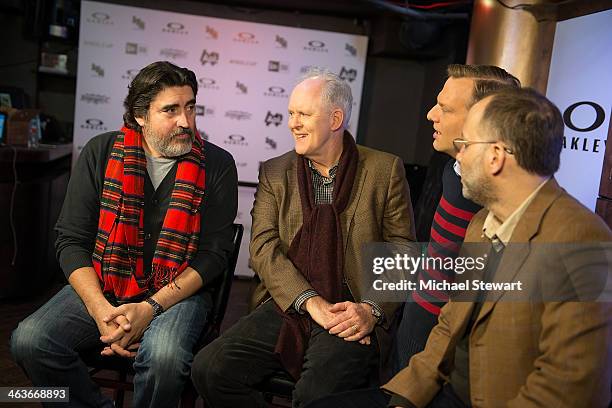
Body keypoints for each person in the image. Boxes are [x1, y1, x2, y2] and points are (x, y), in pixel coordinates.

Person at [10, 61, 238, 408]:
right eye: (170, 110)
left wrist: (150, 307)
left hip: (177, 293)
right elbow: (71, 239)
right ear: (140, 115)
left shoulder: (218, 165)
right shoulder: (101, 152)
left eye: (190, 107)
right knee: (29, 340)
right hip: (105, 283)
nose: (185, 121)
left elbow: (214, 255)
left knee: (164, 358)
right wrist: (101, 310)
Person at [190, 68, 416, 408]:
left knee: (314, 397)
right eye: (291, 113)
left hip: (350, 308)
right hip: (290, 303)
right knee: (208, 369)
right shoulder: (275, 171)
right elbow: (263, 247)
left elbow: (404, 251)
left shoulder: (384, 170)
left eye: (304, 114)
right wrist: (311, 302)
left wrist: (371, 310)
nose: (293, 123)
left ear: (335, 118)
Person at [306, 64, 520, 408]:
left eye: (446, 109)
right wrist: (373, 308)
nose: (430, 114)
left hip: (442, 352)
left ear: (485, 119)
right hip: (412, 331)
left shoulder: (495, 193)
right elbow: (434, 256)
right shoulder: (453, 169)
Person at [383, 88, 612, 407]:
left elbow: (571, 387)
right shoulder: (479, 224)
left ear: (495, 156)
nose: (458, 156)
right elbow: (449, 324)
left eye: (465, 144)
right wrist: (404, 400)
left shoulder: (585, 238)